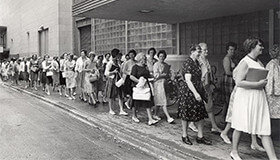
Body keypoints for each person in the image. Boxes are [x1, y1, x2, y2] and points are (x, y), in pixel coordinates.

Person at [230, 37, 277, 160]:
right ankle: (234, 152)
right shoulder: (245, 62)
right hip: (246, 97)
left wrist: (262, 84)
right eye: (259, 45)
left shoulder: (259, 62)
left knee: (264, 127)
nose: (262, 47)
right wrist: (257, 84)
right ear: (252, 47)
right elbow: (239, 82)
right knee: (240, 125)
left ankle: (273, 158)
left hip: (258, 97)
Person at [178, 44, 211, 146]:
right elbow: (188, 80)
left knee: (200, 113)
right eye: (198, 51)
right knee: (186, 114)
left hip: (197, 88)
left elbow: (204, 72)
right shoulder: (188, 63)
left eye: (200, 52)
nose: (199, 54)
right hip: (189, 91)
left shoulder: (197, 62)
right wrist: (196, 93)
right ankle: (184, 135)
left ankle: (200, 136)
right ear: (192, 51)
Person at [198, 42, 221, 132]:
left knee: (210, 106)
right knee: (199, 107)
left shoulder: (206, 60)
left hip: (207, 86)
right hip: (200, 87)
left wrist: (212, 81)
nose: (207, 51)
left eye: (207, 49)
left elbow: (209, 73)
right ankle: (191, 124)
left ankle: (214, 126)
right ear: (200, 51)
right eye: (205, 50)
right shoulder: (199, 60)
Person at [130, 52, 158, 125]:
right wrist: (139, 81)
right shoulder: (135, 67)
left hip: (146, 86)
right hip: (138, 86)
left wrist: (153, 77)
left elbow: (148, 75)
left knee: (147, 100)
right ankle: (134, 116)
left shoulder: (145, 67)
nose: (144, 60)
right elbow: (131, 76)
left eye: (145, 59)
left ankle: (150, 119)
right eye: (143, 58)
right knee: (136, 101)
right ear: (139, 59)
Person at [104, 48, 128, 116]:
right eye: (118, 55)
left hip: (118, 80)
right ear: (115, 55)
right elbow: (106, 73)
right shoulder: (110, 63)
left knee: (120, 94)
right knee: (111, 95)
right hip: (112, 80)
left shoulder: (118, 62)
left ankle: (121, 109)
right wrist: (113, 72)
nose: (119, 57)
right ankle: (111, 109)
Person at [153, 50, 174, 123]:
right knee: (162, 100)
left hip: (165, 83)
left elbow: (168, 74)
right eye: (160, 56)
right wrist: (163, 75)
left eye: (163, 56)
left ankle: (155, 114)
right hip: (158, 84)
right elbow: (155, 75)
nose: (162, 58)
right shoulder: (156, 64)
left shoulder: (166, 65)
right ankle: (168, 117)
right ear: (158, 57)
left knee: (159, 100)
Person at [221, 42, 237, 121]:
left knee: (229, 101)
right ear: (227, 50)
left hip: (231, 80)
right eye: (230, 49)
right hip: (227, 79)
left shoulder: (231, 58)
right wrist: (236, 74)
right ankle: (223, 118)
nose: (232, 51)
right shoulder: (226, 58)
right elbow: (227, 71)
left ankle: (225, 118)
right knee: (227, 100)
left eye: (233, 50)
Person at [266, 44, 280, 119]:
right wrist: (269, 93)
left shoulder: (277, 64)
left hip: (278, 93)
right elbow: (269, 81)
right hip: (273, 94)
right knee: (274, 116)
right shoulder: (272, 65)